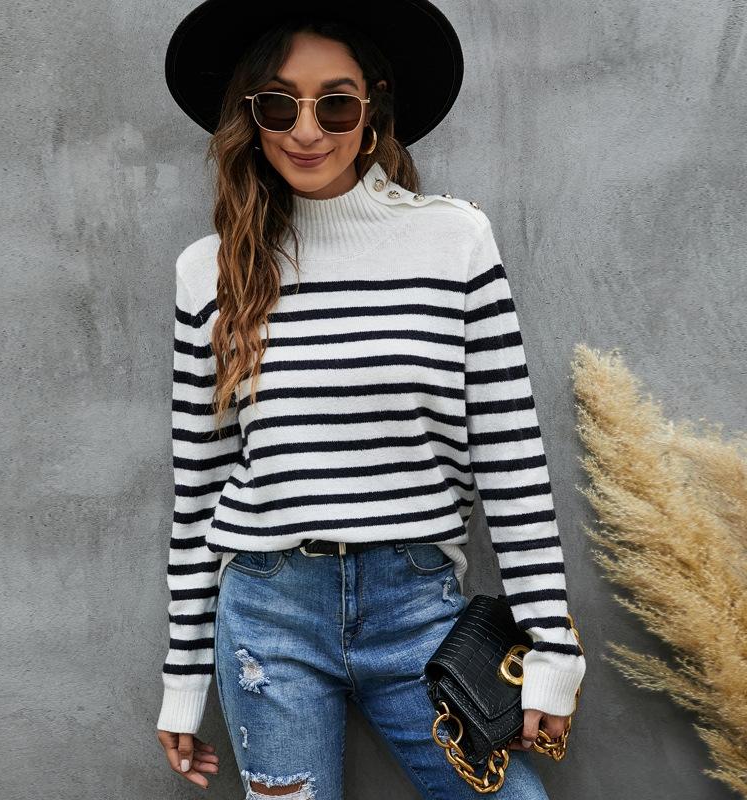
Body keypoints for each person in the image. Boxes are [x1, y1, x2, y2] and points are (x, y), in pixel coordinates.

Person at [155, 2, 587, 798]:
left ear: (373, 108)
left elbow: (512, 461)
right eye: (278, 105)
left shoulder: (454, 242)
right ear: (250, 116)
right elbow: (199, 491)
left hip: (418, 610)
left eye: (335, 104)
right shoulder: (205, 272)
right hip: (268, 619)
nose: (306, 131)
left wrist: (553, 649)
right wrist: (182, 678)